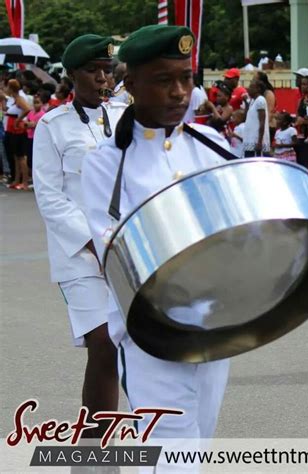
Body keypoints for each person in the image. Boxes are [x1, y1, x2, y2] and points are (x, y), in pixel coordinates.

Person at [81, 25, 230, 440]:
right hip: (151, 326)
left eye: (186, 78)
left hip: (216, 322)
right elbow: (114, 249)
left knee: (199, 437)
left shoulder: (213, 145)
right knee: (170, 444)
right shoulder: (107, 162)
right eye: (164, 80)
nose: (180, 92)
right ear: (131, 85)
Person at [33, 34, 127, 438]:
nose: (101, 78)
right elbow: (50, 198)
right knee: (102, 343)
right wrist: (95, 242)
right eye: (92, 70)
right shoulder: (51, 127)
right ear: (72, 75)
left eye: (106, 70)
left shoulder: (126, 118)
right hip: (81, 255)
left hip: (126, 247)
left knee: (126, 348)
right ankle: (92, 447)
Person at [4, 79, 31, 190]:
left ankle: (24, 182)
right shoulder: (13, 100)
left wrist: (18, 120)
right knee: (16, 156)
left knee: (21, 157)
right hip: (11, 130)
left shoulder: (19, 99)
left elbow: (27, 109)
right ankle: (17, 179)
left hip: (18, 130)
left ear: (11, 88)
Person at [242, 79, 271, 157]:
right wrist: (246, 102)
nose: (248, 89)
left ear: (258, 89)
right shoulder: (252, 101)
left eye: (251, 87)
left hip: (256, 141)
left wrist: (259, 141)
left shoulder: (260, 100)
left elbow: (262, 121)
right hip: (249, 140)